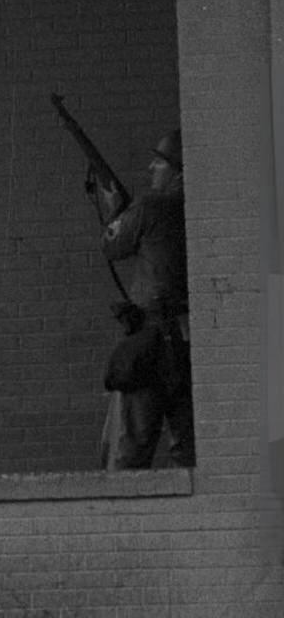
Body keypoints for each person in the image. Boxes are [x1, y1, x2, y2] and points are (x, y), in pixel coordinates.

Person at [96, 129, 193, 470]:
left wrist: (113, 212)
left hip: (152, 344)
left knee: (130, 452)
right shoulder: (197, 208)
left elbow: (113, 246)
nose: (151, 168)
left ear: (178, 170)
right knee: (190, 450)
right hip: (189, 343)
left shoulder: (151, 205)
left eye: (160, 162)